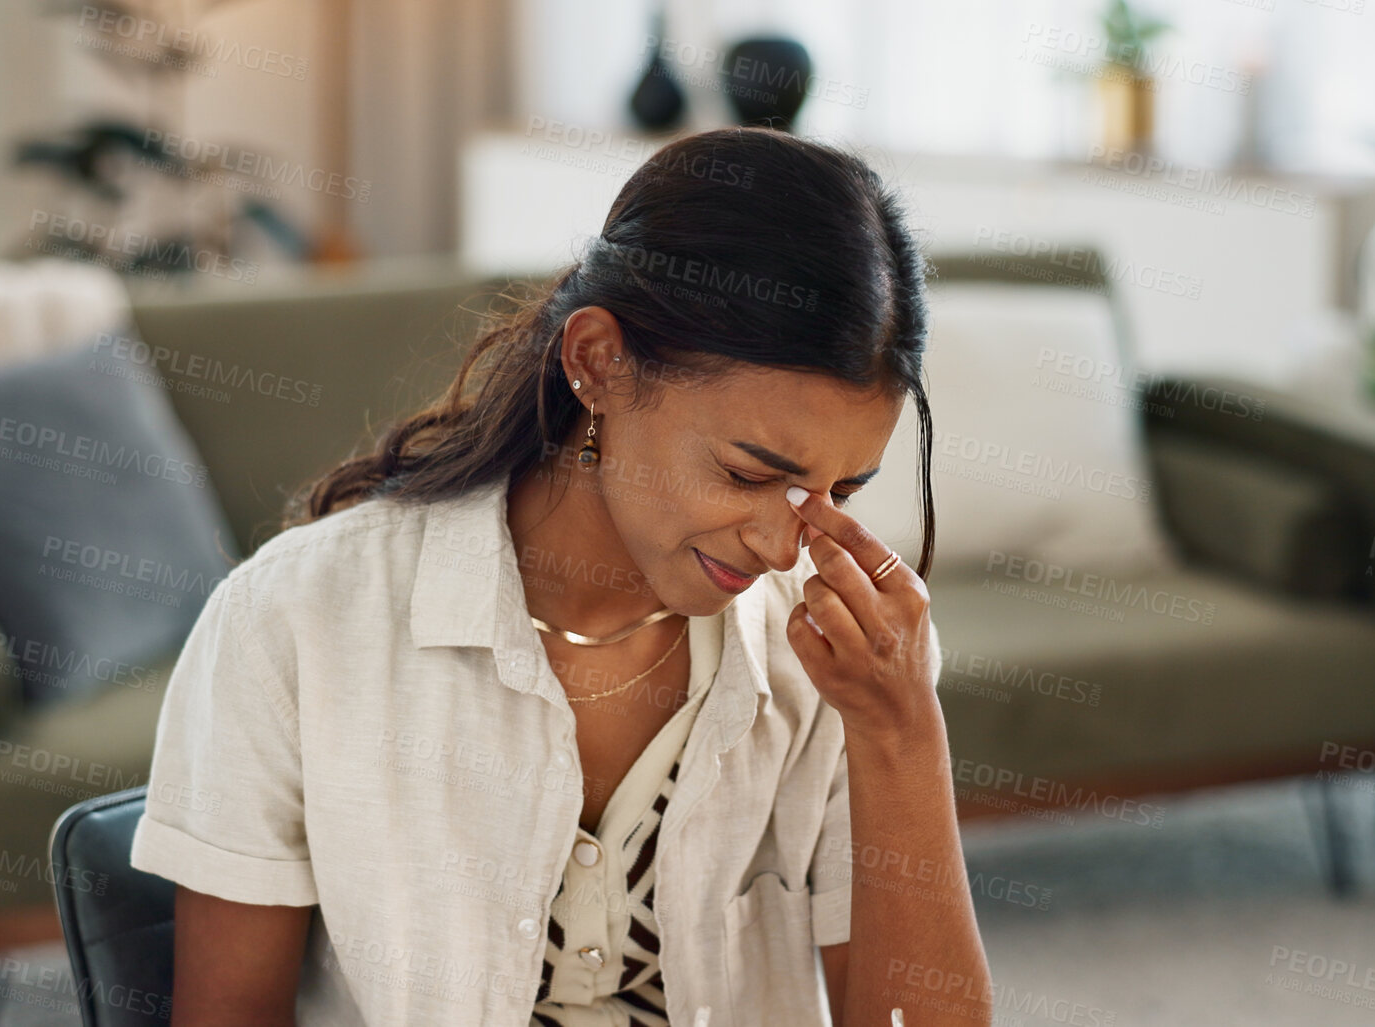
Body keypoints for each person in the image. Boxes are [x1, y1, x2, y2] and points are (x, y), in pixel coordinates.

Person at [130, 125, 993, 1026]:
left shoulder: (839, 660)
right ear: (597, 362)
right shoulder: (296, 619)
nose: (784, 546)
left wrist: (900, 731)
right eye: (746, 474)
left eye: (838, 491)